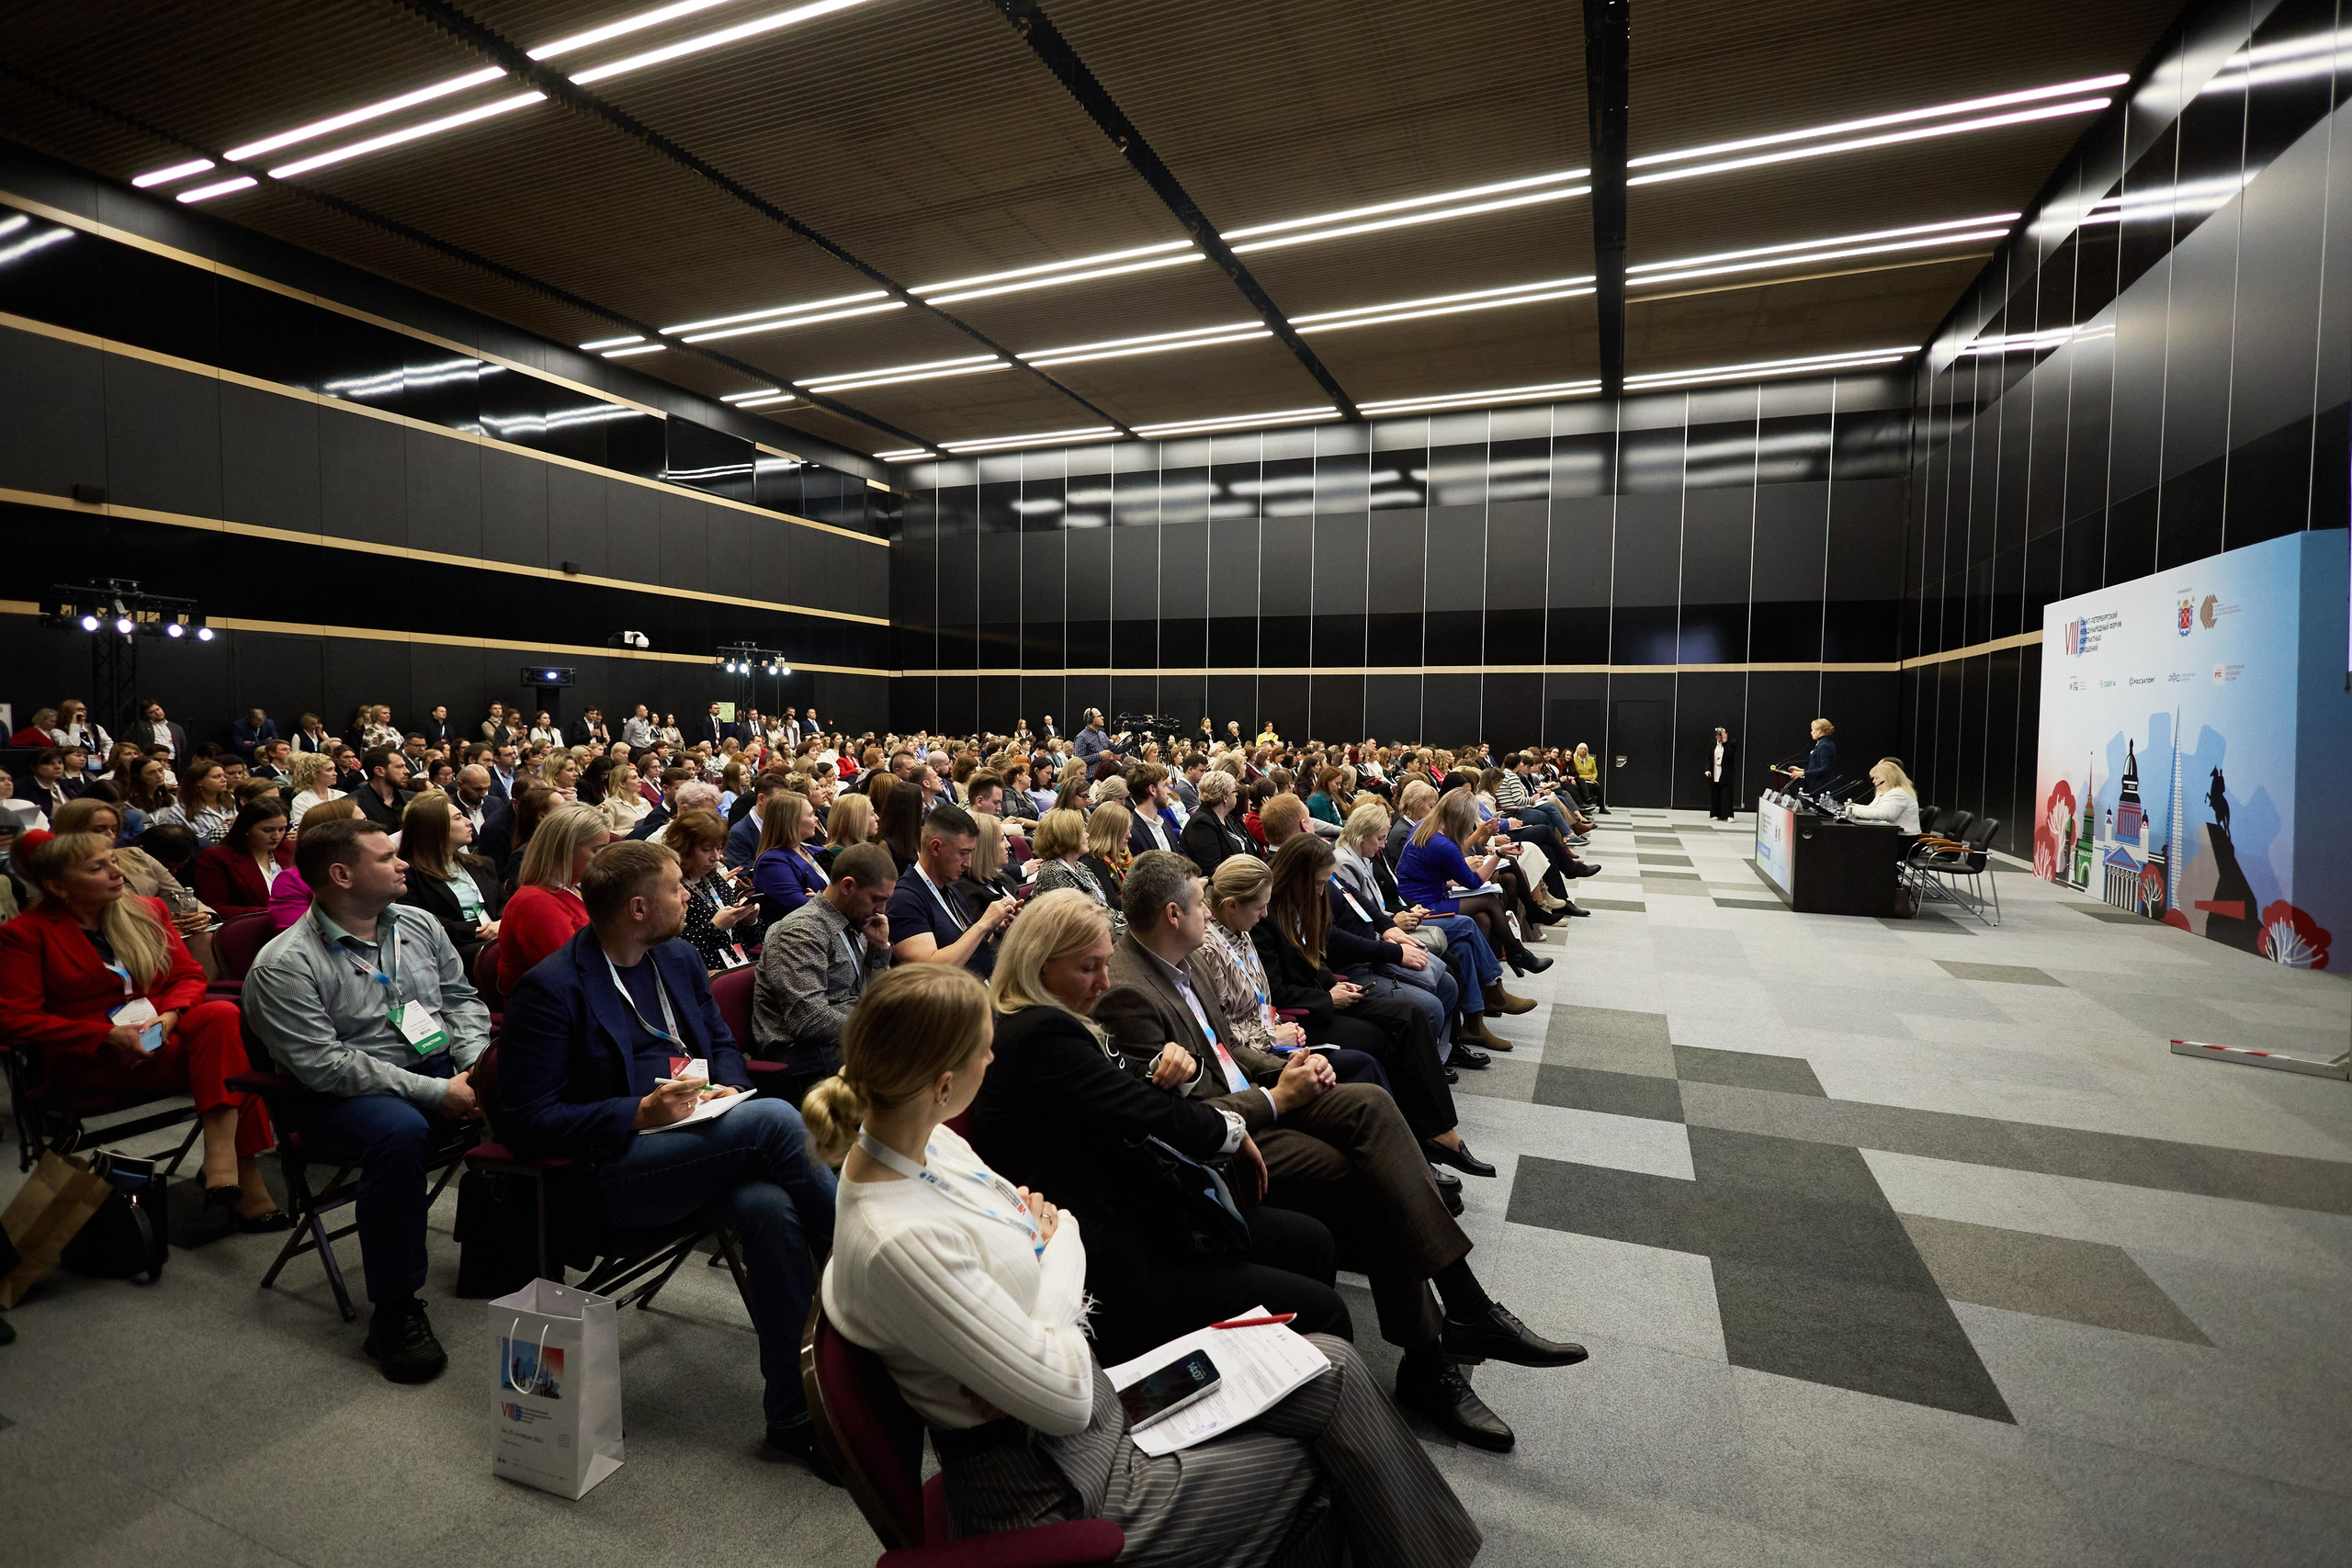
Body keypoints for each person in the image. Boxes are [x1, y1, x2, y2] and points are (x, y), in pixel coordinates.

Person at [815, 957, 1480, 1563]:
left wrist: (1044, 1291)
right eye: (984, 1048)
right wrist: (1056, 1254)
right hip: (1054, 1488)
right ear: (941, 1082)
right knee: (1325, 1456)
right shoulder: (896, 1237)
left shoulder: (928, 1144)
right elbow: (1065, 1388)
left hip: (1085, 1416)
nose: (996, 1055)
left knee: (1327, 1364)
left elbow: (1048, 1258)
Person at [1093, 852, 1583, 1449]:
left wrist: (1285, 1065)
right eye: (1200, 902)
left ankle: (1464, 1306)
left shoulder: (1183, 961)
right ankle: (1432, 1355)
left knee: (1370, 1105)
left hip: (1257, 1097)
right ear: (1174, 913)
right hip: (1226, 1145)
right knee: (1367, 1177)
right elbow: (1179, 1120)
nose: (1207, 911)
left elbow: (1223, 1052)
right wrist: (1277, 1094)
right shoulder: (1127, 991)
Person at [495, 839, 838, 1469]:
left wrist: (728, 1083)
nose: (690, 896)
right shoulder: (553, 988)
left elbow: (719, 1042)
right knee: (772, 1120)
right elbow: (523, 1121)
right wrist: (636, 1112)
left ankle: (794, 1415)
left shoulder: (676, 957)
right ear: (636, 906)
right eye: (678, 887)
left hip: (704, 1139)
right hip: (615, 1170)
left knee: (768, 1206)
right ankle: (869, 1261)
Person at [967, 888, 1354, 1362]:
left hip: (1134, 1209)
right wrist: (1231, 1131)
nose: (1105, 982)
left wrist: (1181, 1073)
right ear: (1039, 965)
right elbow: (1140, 1108)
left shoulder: (1047, 1021)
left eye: (1106, 964)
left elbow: (1127, 1086)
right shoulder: (1041, 1032)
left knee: (1312, 1242)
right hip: (1113, 1254)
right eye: (1089, 967)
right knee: (1326, 1309)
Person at [243, 818, 492, 1380]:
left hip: (436, 1069)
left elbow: (461, 999)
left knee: (527, 1084)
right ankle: (395, 1309)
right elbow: (325, 1066)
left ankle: (503, 1254)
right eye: (386, 858)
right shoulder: (286, 964)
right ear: (341, 874)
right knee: (399, 1133)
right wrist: (436, 1092)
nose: (403, 864)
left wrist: (476, 1065)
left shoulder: (418, 924)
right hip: (341, 1097)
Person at [0, 831, 284, 1229]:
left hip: (161, 1035)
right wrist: (104, 1035)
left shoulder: (146, 910)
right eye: (98, 868)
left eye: (113, 861)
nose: (117, 872)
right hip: (97, 1059)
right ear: (57, 886)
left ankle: (223, 1159)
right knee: (232, 1066)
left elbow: (187, 976)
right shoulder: (26, 935)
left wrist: (168, 1018)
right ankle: (237, 1173)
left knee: (218, 1015)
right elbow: (13, 1018)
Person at [752, 842, 897, 1103]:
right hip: (802, 1052)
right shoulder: (800, 931)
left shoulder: (858, 922)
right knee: (900, 1061)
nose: (882, 910)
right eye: (877, 899)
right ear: (848, 886)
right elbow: (808, 1020)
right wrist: (875, 1029)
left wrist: (879, 948)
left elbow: (872, 998)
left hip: (845, 1037)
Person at [1396, 786, 1548, 976]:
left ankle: (1488, 982)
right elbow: (1474, 882)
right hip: (1426, 905)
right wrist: (1499, 855)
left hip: (1415, 897)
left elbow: (1422, 872)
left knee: (1483, 918)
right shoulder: (1442, 844)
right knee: (1490, 901)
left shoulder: (1423, 826)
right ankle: (1515, 952)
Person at [887, 803, 1016, 977]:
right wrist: (982, 925)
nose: (968, 863)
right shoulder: (903, 900)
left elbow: (969, 958)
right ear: (935, 848)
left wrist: (997, 932)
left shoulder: (951, 892)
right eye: (963, 853)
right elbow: (928, 971)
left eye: (971, 853)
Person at [497, 803, 606, 997]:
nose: (603, 859)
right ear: (564, 850)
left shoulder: (578, 887)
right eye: (597, 851)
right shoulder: (536, 902)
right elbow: (572, 973)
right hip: (554, 1012)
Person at [396, 790, 503, 962]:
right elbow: (421, 922)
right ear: (436, 828)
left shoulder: (482, 865)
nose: (469, 822)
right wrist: (476, 931)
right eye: (458, 818)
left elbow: (505, 903)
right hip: (450, 949)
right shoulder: (408, 874)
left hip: (497, 937)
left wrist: (502, 924)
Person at [662, 808, 760, 973]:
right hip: (702, 974)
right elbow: (669, 951)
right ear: (683, 849)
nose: (716, 857)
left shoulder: (714, 879)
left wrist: (749, 921)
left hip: (739, 967)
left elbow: (751, 941)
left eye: (719, 848)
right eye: (706, 850)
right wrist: (714, 927)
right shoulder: (671, 889)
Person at [1029, 807, 1123, 939]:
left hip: (1106, 930)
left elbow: (1105, 909)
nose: (1087, 835)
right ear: (1067, 836)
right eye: (1082, 831)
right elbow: (1079, 925)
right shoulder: (1054, 873)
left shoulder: (1080, 867)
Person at [192, 798, 290, 920]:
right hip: (254, 928)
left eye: (282, 829)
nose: (277, 836)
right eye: (268, 830)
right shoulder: (218, 857)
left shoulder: (289, 849)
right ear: (246, 828)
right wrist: (275, 910)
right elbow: (215, 908)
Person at [749, 790, 827, 923]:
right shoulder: (772, 862)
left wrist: (823, 899)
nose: (816, 818)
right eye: (811, 814)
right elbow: (803, 908)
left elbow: (849, 890)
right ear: (791, 821)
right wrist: (829, 902)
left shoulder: (817, 850)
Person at [152, 757, 237, 847]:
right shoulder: (178, 811)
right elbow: (182, 841)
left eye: (223, 775)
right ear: (199, 782)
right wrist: (219, 830)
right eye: (216, 777)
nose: (224, 779)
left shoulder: (231, 799)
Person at [1179, 768, 1251, 874]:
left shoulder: (1227, 817)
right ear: (1225, 798)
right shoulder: (1202, 825)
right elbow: (1212, 869)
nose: (1236, 794)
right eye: (1234, 791)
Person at [1846, 758, 1922, 834]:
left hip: (1902, 839)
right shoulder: (1885, 792)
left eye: (1876, 778)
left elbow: (1885, 815)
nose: (1873, 781)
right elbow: (1872, 808)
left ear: (1888, 778)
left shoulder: (1898, 793)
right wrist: (1853, 806)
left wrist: (1852, 810)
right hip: (1890, 835)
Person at [354, 748, 412, 833]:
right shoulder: (353, 804)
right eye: (399, 767)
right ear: (379, 771)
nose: (407, 771)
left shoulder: (413, 798)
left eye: (405, 766)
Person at [1781, 716, 1838, 794]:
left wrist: (1804, 773)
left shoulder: (1824, 746)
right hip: (1816, 785)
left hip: (1820, 788)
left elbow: (1825, 768)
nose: (1811, 732)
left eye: (1812, 730)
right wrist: (1801, 770)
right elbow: (1817, 766)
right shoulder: (1822, 743)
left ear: (1819, 731)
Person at [1705, 727, 1741, 820]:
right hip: (1715, 771)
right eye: (1717, 736)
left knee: (1727, 796)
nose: (1719, 738)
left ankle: (1728, 815)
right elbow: (1709, 758)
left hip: (1726, 773)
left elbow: (1730, 755)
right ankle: (1715, 814)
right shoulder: (1713, 744)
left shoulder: (1732, 743)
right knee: (1715, 794)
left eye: (1721, 736)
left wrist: (1725, 742)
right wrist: (1708, 769)